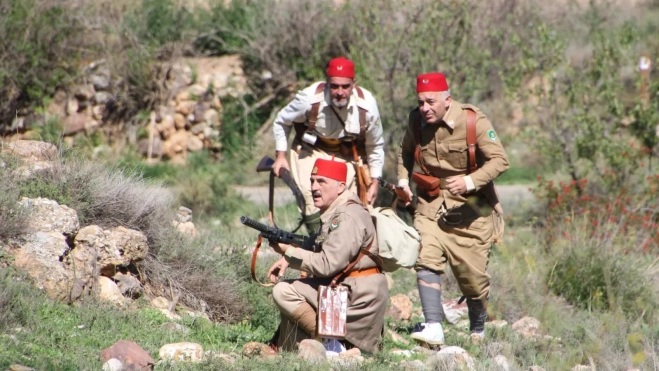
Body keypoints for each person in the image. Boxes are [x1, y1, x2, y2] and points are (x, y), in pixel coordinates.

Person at [397, 72, 509, 345]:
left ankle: (478, 330)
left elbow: (500, 161)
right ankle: (433, 325)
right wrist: (402, 181)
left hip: (472, 208)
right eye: (421, 102)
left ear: (447, 100)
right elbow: (405, 152)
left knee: (474, 280)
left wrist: (470, 181)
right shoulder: (416, 120)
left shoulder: (473, 120)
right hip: (430, 203)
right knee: (426, 257)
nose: (425, 108)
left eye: (431, 102)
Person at [266, 157, 388, 354]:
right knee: (295, 295)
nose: (314, 187)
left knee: (284, 291)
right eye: (312, 181)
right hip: (348, 289)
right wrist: (287, 258)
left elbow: (327, 265)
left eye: (321, 181)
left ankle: (332, 342)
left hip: (357, 299)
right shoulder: (338, 211)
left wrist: (288, 251)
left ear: (340, 187)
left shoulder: (345, 218)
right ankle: (287, 350)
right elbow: (316, 242)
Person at [272, 57, 385, 234]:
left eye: (345, 86)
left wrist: (375, 181)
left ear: (353, 84)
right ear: (327, 83)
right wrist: (280, 157)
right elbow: (281, 121)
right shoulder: (310, 98)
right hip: (312, 149)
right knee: (313, 195)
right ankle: (318, 246)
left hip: (346, 154)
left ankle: (342, 251)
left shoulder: (367, 105)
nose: (339, 92)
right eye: (334, 86)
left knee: (348, 204)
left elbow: (375, 145)